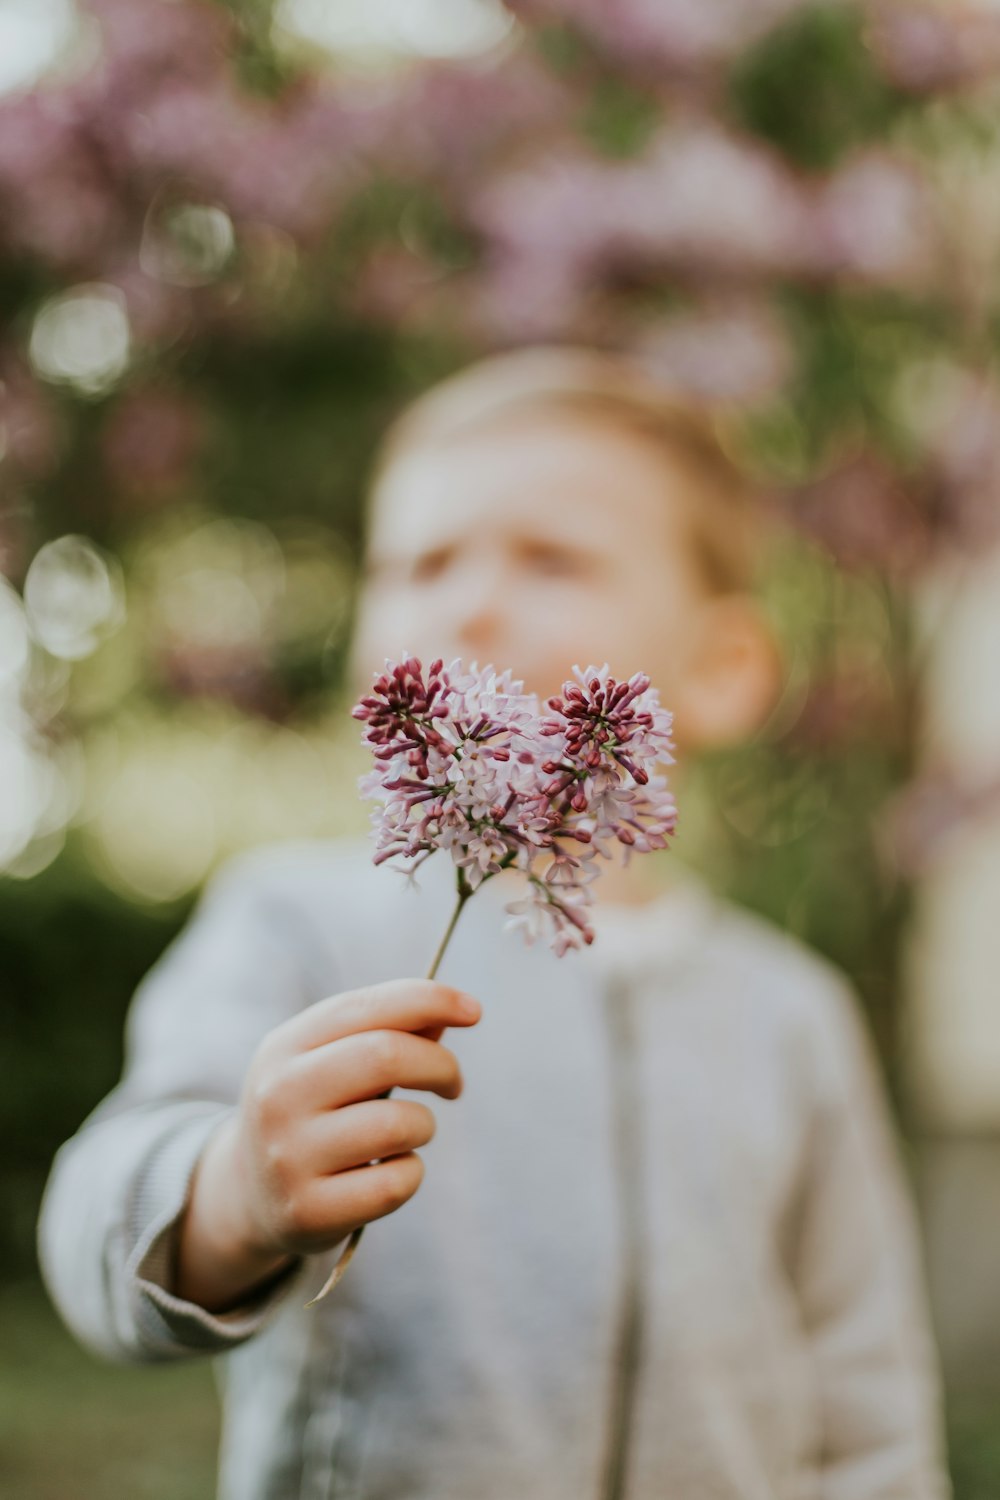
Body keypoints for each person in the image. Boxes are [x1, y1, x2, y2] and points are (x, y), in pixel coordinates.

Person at [38, 347, 950, 1500]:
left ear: (721, 669)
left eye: (550, 558)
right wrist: (228, 1194)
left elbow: (866, 1399)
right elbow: (97, 1229)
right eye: (415, 563)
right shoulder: (296, 924)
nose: (467, 601)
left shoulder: (793, 1017)